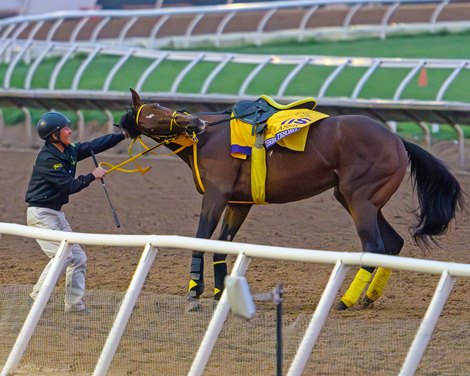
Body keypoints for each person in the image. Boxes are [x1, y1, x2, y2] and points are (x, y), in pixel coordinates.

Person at [25, 111, 127, 313]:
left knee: (78, 258)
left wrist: (123, 135)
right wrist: (93, 175)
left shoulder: (69, 150)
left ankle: (74, 306)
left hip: (56, 215)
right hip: (41, 216)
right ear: (54, 135)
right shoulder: (47, 158)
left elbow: (94, 146)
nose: (70, 131)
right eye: (65, 129)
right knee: (62, 257)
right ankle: (36, 299)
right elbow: (70, 186)